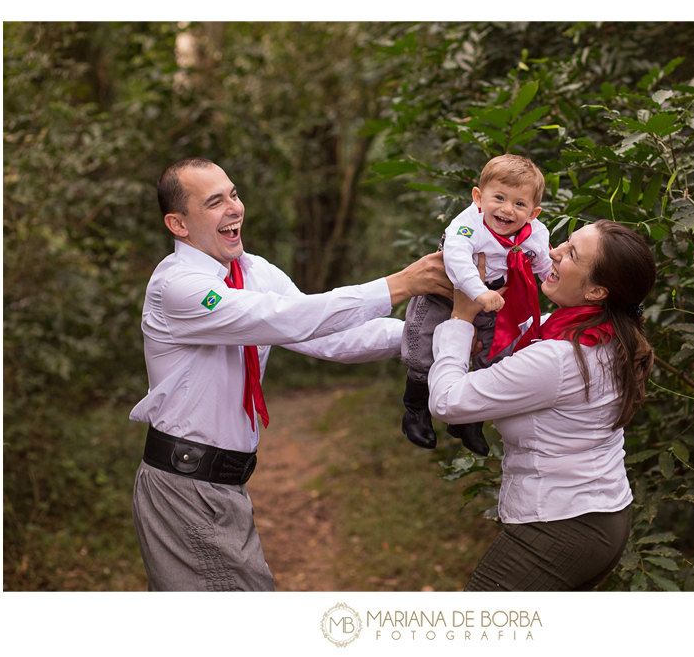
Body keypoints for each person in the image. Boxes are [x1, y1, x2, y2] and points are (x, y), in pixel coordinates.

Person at [130, 156, 452, 591]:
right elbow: (287, 318)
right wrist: (400, 284)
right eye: (214, 202)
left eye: (234, 194)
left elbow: (328, 336)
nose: (234, 208)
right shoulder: (178, 286)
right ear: (179, 224)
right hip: (185, 489)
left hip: (225, 487)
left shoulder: (254, 271)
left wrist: (439, 337)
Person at [428, 219, 656, 591]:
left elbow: (447, 401)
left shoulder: (559, 356)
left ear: (597, 290)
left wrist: (461, 317)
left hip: (561, 525)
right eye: (564, 242)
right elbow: (512, 338)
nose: (552, 250)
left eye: (571, 254)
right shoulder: (599, 332)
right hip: (601, 516)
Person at [400, 154, 551, 456]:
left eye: (519, 204)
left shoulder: (535, 233)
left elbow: (544, 264)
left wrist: (556, 287)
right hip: (445, 289)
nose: (507, 209)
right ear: (479, 198)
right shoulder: (468, 225)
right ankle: (415, 408)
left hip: (494, 295)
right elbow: (457, 260)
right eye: (499, 198)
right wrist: (478, 293)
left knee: (492, 351)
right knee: (423, 345)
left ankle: (470, 420)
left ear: (533, 213)